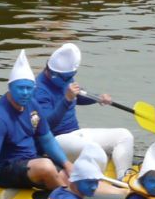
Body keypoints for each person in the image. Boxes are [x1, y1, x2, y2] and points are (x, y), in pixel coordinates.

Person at [0, 50, 75, 199]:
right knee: (46, 166)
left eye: (29, 88)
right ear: (10, 87)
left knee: (74, 176)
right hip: (5, 169)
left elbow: (47, 139)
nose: (25, 93)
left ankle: (115, 196)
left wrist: (67, 164)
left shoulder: (32, 105)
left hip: (30, 160)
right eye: (20, 88)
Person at [33, 42, 135, 183]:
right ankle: (97, 183)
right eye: (67, 77)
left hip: (75, 134)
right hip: (55, 141)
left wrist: (98, 98)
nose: (70, 80)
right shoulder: (39, 91)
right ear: (53, 74)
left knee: (124, 135)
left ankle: (124, 179)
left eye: (72, 75)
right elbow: (46, 125)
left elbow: (79, 95)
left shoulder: (63, 78)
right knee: (96, 151)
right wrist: (67, 100)